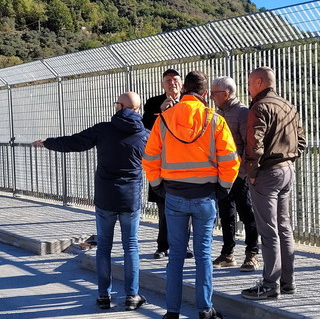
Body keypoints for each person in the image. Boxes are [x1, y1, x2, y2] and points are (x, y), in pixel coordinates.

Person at [32, 92, 149, 311]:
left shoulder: (103, 129)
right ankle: (132, 296)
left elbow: (75, 142)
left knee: (103, 247)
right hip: (130, 199)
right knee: (130, 247)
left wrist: (48, 143)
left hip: (105, 197)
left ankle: (103, 296)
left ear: (120, 106)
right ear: (138, 109)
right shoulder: (145, 134)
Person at [142, 71, 241, 319]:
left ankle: (172, 311)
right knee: (203, 255)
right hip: (205, 196)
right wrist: (223, 188)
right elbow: (231, 160)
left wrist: (158, 185)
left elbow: (150, 158)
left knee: (175, 255)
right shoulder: (214, 119)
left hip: (173, 195)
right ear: (205, 93)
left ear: (184, 89)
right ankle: (205, 310)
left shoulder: (164, 119)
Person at [241, 67, 306, 300]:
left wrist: (252, 172)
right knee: (284, 228)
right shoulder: (289, 105)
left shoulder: (259, 107)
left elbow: (254, 145)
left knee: (268, 231)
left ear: (259, 82)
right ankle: (288, 281)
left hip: (267, 173)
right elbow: (301, 140)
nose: (247, 88)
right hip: (287, 170)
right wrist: (288, 158)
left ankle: (270, 284)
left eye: (249, 83)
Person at [142, 68, 194, 259]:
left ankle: (184, 245)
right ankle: (162, 246)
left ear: (182, 84)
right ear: (163, 84)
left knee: (185, 206)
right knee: (163, 206)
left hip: (186, 163)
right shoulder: (154, 103)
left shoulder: (190, 102)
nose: (172, 83)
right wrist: (161, 112)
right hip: (162, 163)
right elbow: (145, 128)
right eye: (168, 80)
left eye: (175, 80)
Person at [210, 76, 259, 272]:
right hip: (222, 173)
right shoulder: (218, 113)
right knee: (226, 213)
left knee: (246, 212)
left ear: (226, 94)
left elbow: (249, 145)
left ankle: (252, 253)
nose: (212, 96)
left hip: (239, 174)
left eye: (215, 93)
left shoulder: (242, 113)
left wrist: (244, 172)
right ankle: (228, 253)